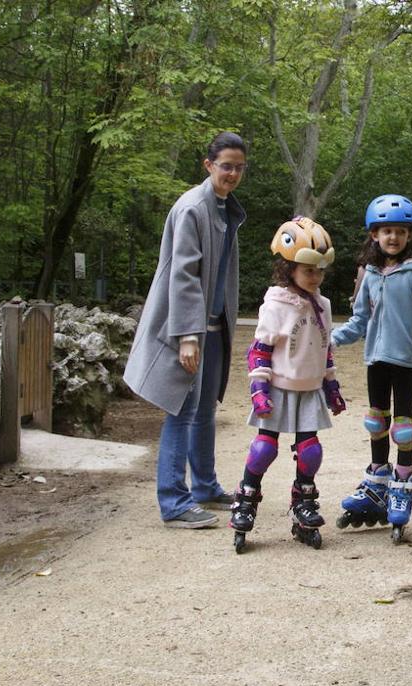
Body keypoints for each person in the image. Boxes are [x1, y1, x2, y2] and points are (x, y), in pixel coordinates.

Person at [124, 132, 247, 528]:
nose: (232, 173)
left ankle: (205, 487)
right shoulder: (192, 208)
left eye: (239, 167)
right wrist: (188, 336)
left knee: (205, 409)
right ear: (208, 164)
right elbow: (184, 276)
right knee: (180, 409)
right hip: (188, 329)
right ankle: (173, 502)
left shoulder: (225, 209)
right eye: (226, 165)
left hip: (212, 328)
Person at [332, 194, 412, 544]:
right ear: (374, 234)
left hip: (404, 362)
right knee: (375, 422)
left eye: (400, 232)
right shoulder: (371, 273)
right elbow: (359, 321)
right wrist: (330, 340)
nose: (393, 238)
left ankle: (402, 486)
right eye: (386, 231)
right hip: (375, 360)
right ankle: (376, 484)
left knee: (402, 429)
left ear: (409, 235)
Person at [227, 217, 346, 553]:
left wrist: (331, 386)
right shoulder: (276, 303)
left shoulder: (322, 304)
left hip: (309, 388)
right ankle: (246, 499)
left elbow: (324, 349)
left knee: (311, 451)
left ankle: (303, 502)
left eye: (320, 270)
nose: (316, 277)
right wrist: (259, 390)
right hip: (277, 387)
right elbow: (259, 351)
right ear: (288, 267)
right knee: (265, 447)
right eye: (308, 269)